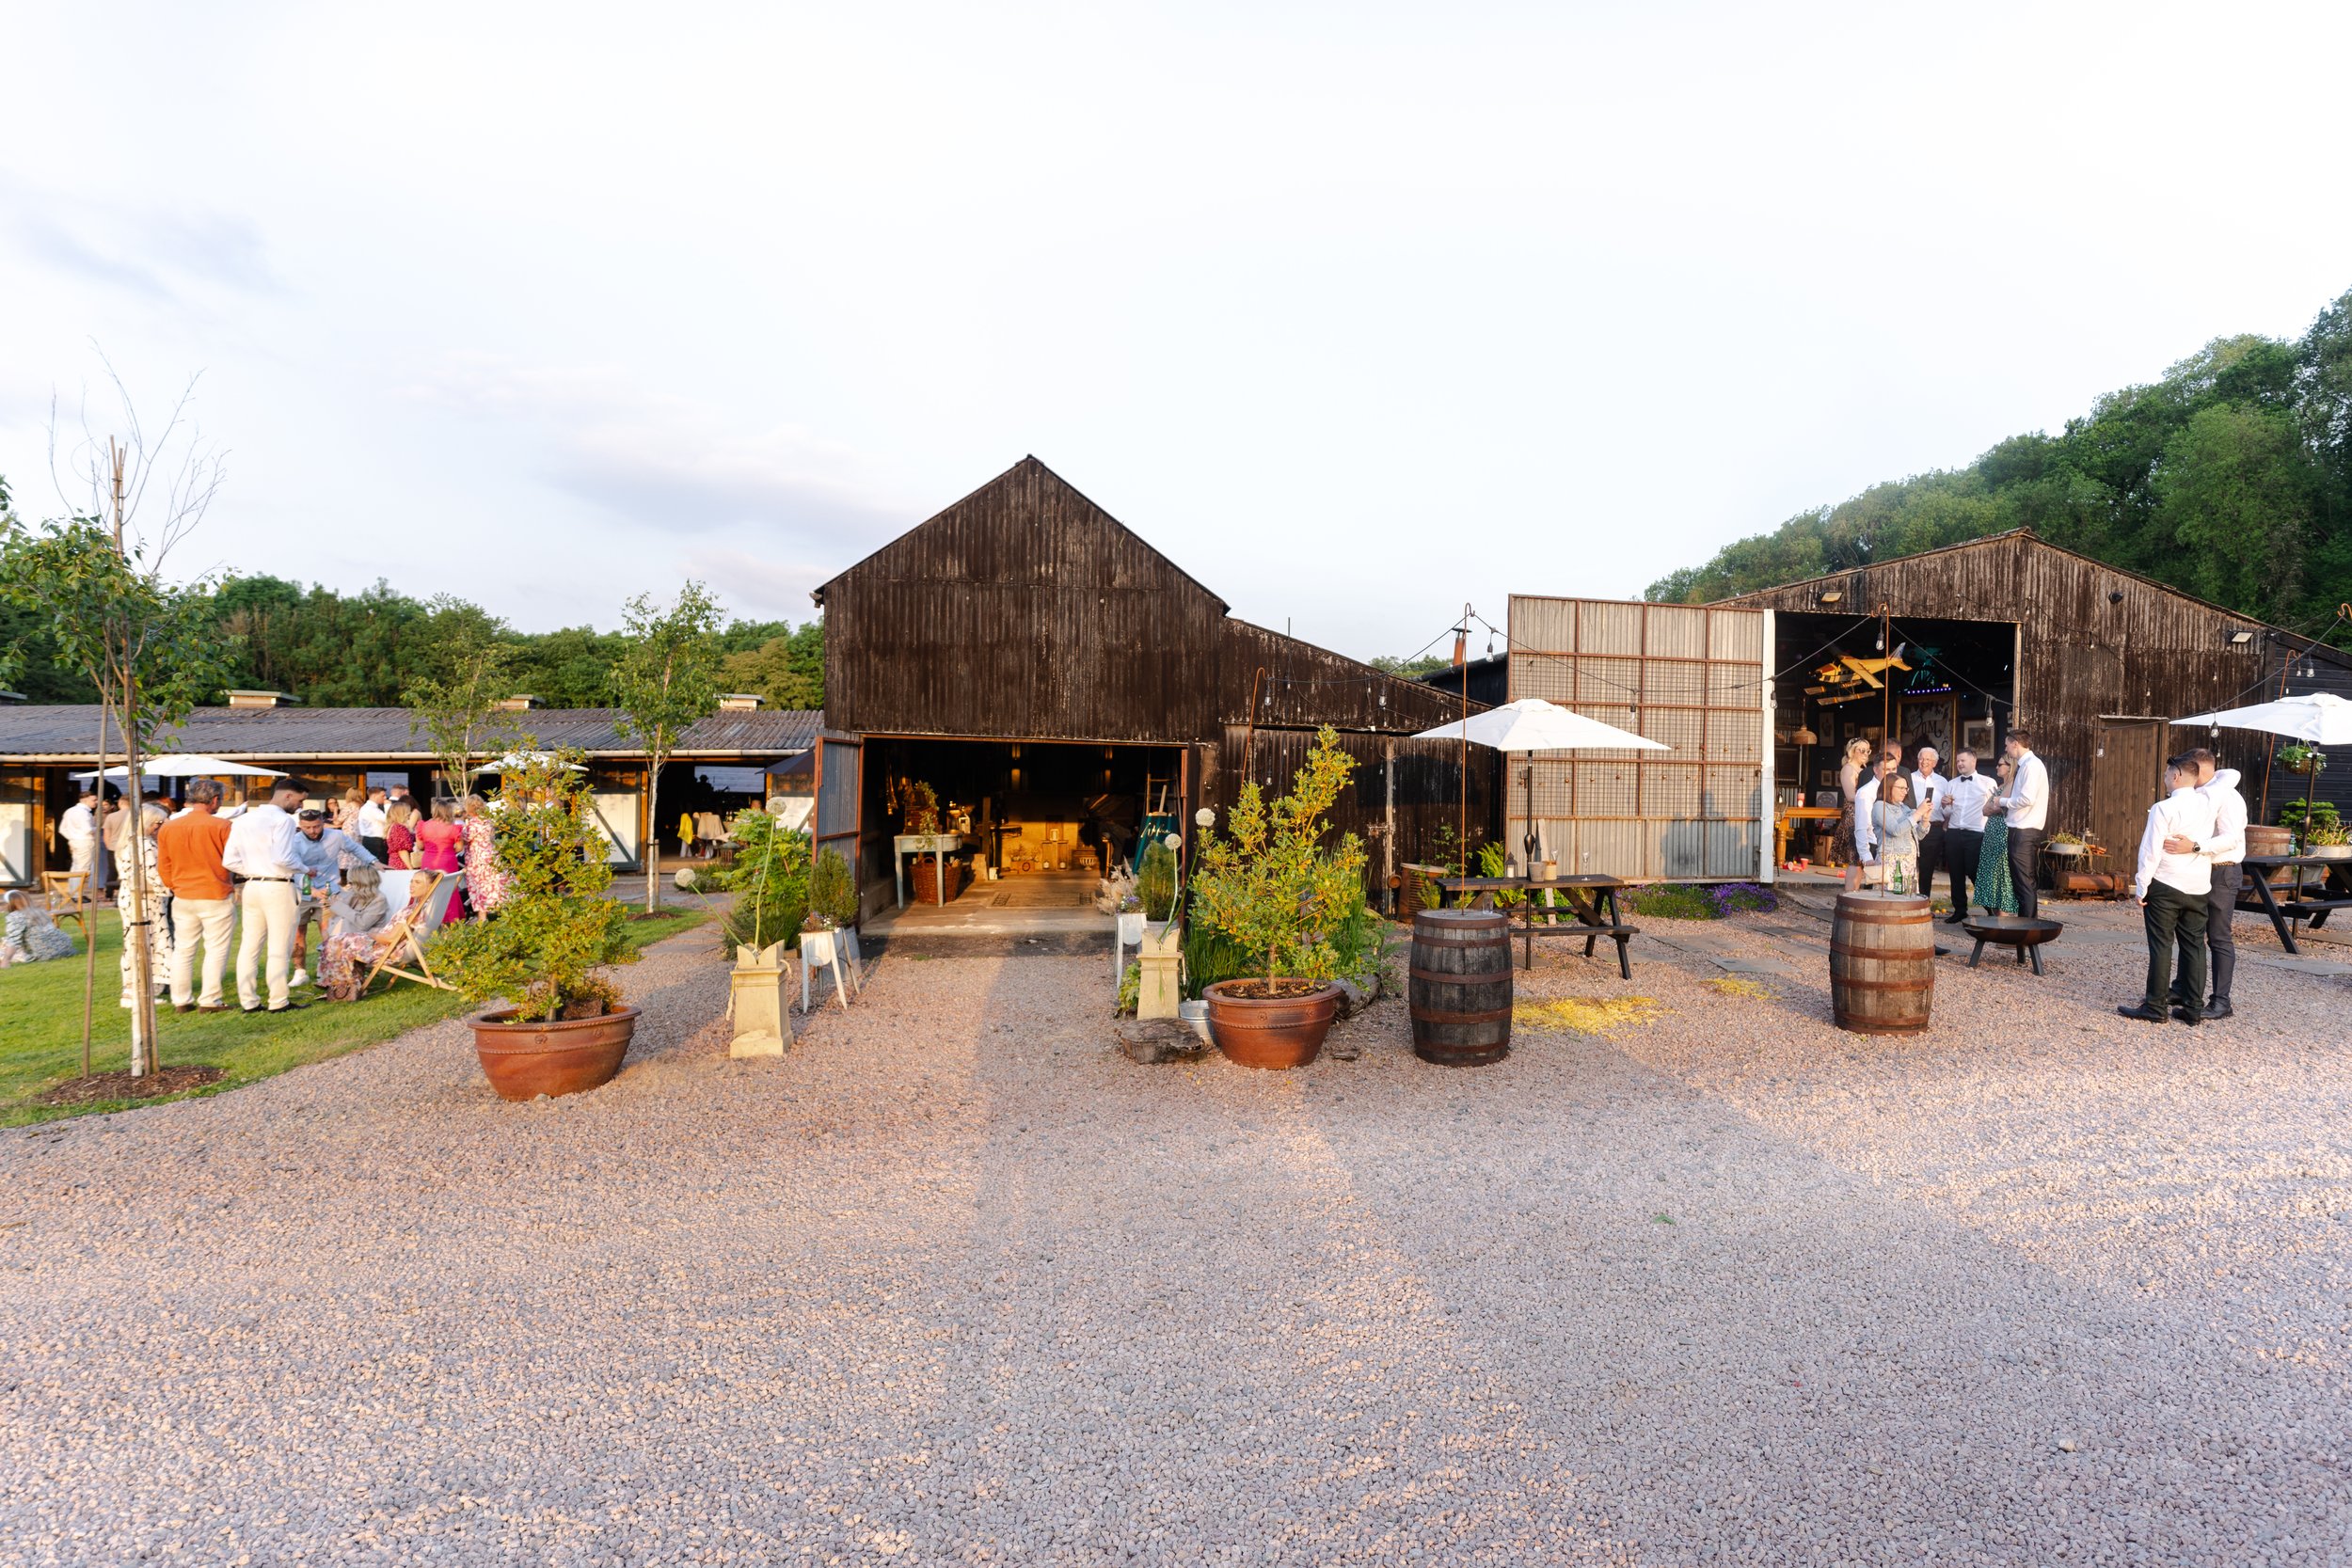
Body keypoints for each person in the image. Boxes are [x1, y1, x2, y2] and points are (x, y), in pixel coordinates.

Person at [2119, 756, 2217, 1024]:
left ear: (2176, 776)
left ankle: (2155, 1006)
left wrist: (2142, 885)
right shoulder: (2209, 805)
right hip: (2198, 884)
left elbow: (2150, 850)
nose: (2163, 778)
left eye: (2165, 774)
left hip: (2166, 882)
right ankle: (2194, 1009)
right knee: (2195, 945)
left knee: (2161, 945)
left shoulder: (2164, 807)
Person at [2165, 747, 2247, 1021]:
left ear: (2199, 769)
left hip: (2223, 871)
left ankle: (2222, 1001)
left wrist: (2195, 846)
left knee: (2219, 937)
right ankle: (2182, 988)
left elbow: (2231, 839)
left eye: (2188, 767)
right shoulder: (2199, 795)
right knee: (2191, 932)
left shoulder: (2229, 797)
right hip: (2199, 868)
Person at [223, 781, 310, 1014]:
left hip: (252, 886)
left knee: (250, 945)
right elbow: (283, 858)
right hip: (278, 886)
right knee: (279, 946)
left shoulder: (243, 820)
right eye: (300, 801)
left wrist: (253, 869)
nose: (300, 806)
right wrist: (304, 867)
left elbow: (229, 861)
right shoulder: (283, 820)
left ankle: (248, 1000)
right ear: (288, 796)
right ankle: (278, 1000)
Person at [156, 779, 236, 1013]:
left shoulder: (169, 827)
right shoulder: (222, 826)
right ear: (214, 800)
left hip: (183, 894)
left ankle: (181, 999)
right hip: (215, 893)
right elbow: (232, 860)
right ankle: (210, 999)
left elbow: (164, 865)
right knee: (216, 948)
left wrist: (175, 886)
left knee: (183, 949)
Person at [316, 864, 401, 1002]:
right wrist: (331, 902)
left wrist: (338, 906)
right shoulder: (355, 896)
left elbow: (363, 923)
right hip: (351, 938)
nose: (349, 886)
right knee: (334, 940)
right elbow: (339, 909)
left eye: (351, 882)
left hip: (369, 940)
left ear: (361, 883)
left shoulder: (379, 899)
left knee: (337, 943)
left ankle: (345, 986)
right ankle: (337, 984)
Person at [116, 801, 170, 1009]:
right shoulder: (144, 844)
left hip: (130, 897)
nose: (159, 827)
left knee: (133, 943)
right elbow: (152, 875)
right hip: (145, 900)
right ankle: (140, 990)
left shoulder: (128, 843)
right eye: (157, 823)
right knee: (146, 942)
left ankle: (132, 989)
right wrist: (168, 888)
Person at [1990, 730, 2051, 918]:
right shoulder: (2026, 765)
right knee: (2020, 881)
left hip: (2025, 831)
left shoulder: (2032, 766)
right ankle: (2025, 926)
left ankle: (2027, 929)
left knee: (2024, 882)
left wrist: (2001, 801)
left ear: (2015, 743)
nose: (2006, 748)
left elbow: (2026, 799)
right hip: (2019, 829)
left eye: (2007, 744)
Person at [1937, 750, 1996, 923]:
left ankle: (1990, 908)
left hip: (1976, 833)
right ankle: (1960, 910)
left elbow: (1995, 807)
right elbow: (1947, 813)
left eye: (1963, 760)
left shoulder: (1987, 782)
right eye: (1957, 761)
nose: (1959, 764)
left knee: (1975, 871)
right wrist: (1944, 805)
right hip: (1954, 832)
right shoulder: (1952, 783)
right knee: (1955, 873)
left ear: (1973, 761)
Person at [1974, 758, 2020, 915]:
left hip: (2002, 832)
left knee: (2001, 873)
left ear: (2010, 766)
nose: (1997, 767)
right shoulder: (2000, 786)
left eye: (2000, 765)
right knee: (1991, 873)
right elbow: (1985, 810)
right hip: (1991, 834)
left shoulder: (2012, 783)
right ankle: (1995, 915)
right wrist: (1994, 805)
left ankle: (2003, 916)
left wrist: (1995, 805)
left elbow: (1999, 806)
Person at [1868, 772, 1922, 891]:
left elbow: (1918, 835)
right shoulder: (1880, 806)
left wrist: (1926, 819)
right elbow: (1895, 830)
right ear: (1889, 788)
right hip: (1891, 861)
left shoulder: (1904, 808)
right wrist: (1918, 813)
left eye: (1906, 788)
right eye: (1901, 788)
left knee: (1907, 901)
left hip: (1908, 861)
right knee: (1889, 900)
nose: (1905, 791)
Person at [1908, 745, 1947, 906]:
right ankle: (1906, 901)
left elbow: (1947, 807)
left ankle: (1923, 903)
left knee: (1927, 868)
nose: (1924, 762)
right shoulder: (1908, 778)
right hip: (1910, 826)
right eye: (1921, 758)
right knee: (1908, 865)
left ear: (1935, 763)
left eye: (1928, 759)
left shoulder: (1943, 782)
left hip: (1934, 828)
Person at [461, 793, 509, 915]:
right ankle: (501, 914)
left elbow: (464, 838)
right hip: (491, 856)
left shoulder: (472, 824)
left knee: (479, 888)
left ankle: (482, 919)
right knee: (493, 887)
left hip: (477, 860)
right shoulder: (489, 821)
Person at [1851, 753, 1896, 885]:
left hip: (1892, 847)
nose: (1891, 773)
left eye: (1894, 769)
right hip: (1874, 846)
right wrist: (1866, 856)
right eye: (1887, 770)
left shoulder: (1897, 789)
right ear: (1876, 770)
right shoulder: (1866, 792)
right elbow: (1861, 826)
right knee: (1875, 891)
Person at [3, 890, 76, 966]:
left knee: (4, 947)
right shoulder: (41, 912)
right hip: (64, 948)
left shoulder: (16, 916)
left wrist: (6, 961)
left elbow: (13, 941)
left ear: (10, 903)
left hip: (43, 953)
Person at [1837, 738, 1874, 891]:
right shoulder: (1848, 769)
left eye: (1868, 751)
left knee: (1860, 859)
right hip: (1853, 815)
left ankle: (1856, 893)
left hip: (1864, 813)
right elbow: (1850, 795)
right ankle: (1849, 896)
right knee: (1854, 858)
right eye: (1862, 750)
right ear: (1852, 751)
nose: (1866, 754)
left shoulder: (1863, 770)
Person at [56, 789, 101, 884]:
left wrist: (72, 838)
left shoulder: (70, 811)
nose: (96, 802)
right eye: (94, 800)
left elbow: (62, 829)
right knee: (83, 869)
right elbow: (87, 830)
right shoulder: (84, 813)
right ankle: (77, 895)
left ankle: (73, 893)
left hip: (75, 841)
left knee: (75, 867)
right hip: (85, 842)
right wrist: (99, 827)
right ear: (85, 800)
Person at [354, 786, 390, 863]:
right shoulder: (370, 808)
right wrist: (387, 806)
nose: (385, 797)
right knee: (376, 865)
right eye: (382, 795)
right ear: (374, 796)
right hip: (374, 841)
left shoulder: (370, 808)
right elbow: (387, 819)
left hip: (373, 840)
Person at [384, 799, 420, 870]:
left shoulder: (392, 826)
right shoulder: (399, 827)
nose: (409, 814)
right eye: (407, 811)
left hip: (394, 863)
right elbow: (402, 850)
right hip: (402, 864)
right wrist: (410, 868)